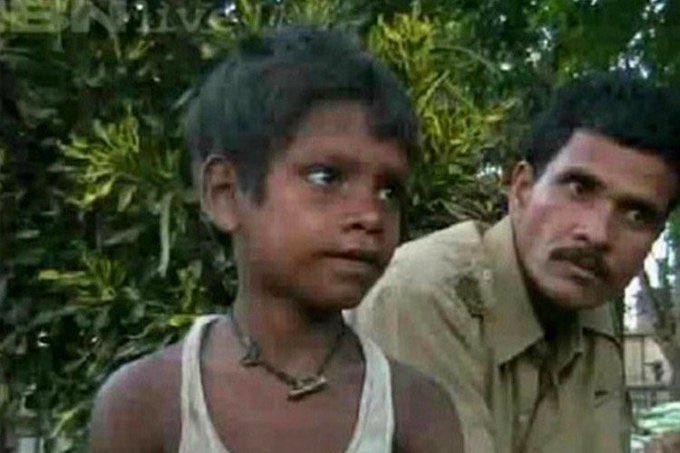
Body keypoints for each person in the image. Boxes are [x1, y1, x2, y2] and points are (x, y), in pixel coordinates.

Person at [88, 26, 463, 453]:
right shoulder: (149, 405)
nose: (369, 216)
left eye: (389, 191)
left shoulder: (415, 411)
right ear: (225, 194)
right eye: (326, 177)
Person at [352, 73, 680, 452]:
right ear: (522, 188)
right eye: (579, 189)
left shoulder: (587, 298)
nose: (597, 234)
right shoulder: (421, 295)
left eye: (637, 215)